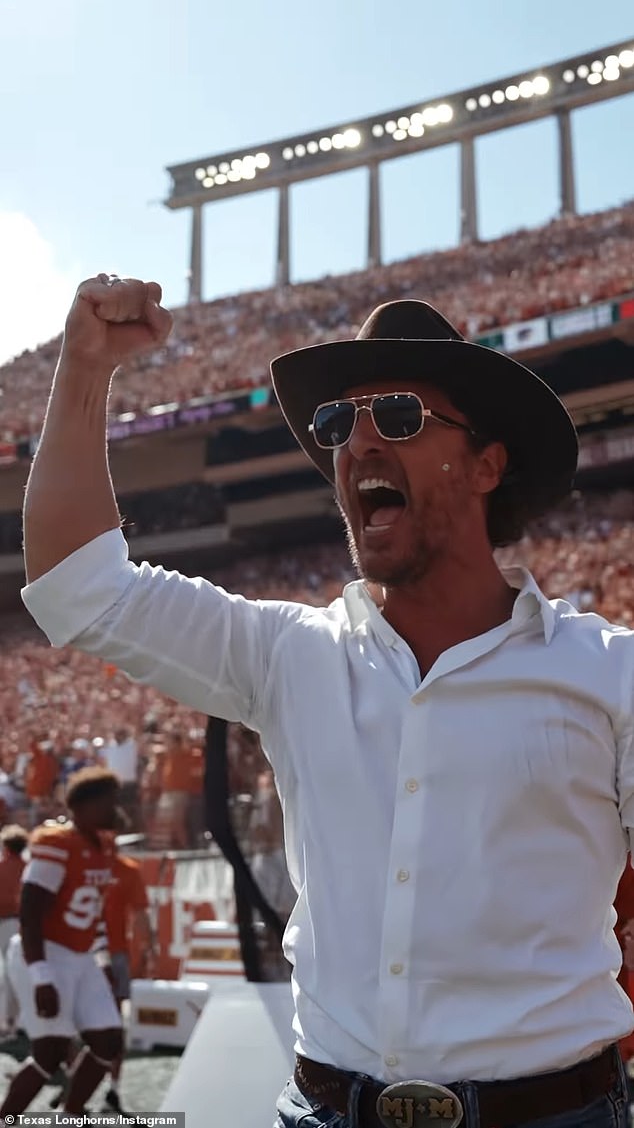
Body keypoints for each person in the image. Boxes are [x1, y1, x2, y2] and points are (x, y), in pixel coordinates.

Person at [19, 274, 634, 1128]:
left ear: (488, 463)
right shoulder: (289, 652)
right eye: (338, 424)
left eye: (401, 416)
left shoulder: (607, 674)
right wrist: (85, 370)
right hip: (322, 1108)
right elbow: (73, 586)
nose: (360, 442)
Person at [0, 767, 123, 1117]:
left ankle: (69, 1115)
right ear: (82, 806)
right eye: (108, 802)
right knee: (49, 1051)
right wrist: (40, 975)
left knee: (108, 1040)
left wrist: (99, 959)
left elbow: (91, 908)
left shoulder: (103, 845)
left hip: (80, 956)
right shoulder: (56, 843)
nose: (115, 809)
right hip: (45, 952)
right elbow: (30, 910)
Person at [97, 846, 156, 1113]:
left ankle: (112, 1087)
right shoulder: (73, 858)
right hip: (77, 954)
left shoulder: (127, 869)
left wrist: (148, 947)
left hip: (112, 953)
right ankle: (75, 1087)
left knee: (113, 1021)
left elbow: (141, 913)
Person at [0, 824, 29, 1037]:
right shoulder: (29, 866)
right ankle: (19, 1019)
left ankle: (10, 1020)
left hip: (6, 923)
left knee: (10, 974)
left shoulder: (2, 868)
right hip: (26, 924)